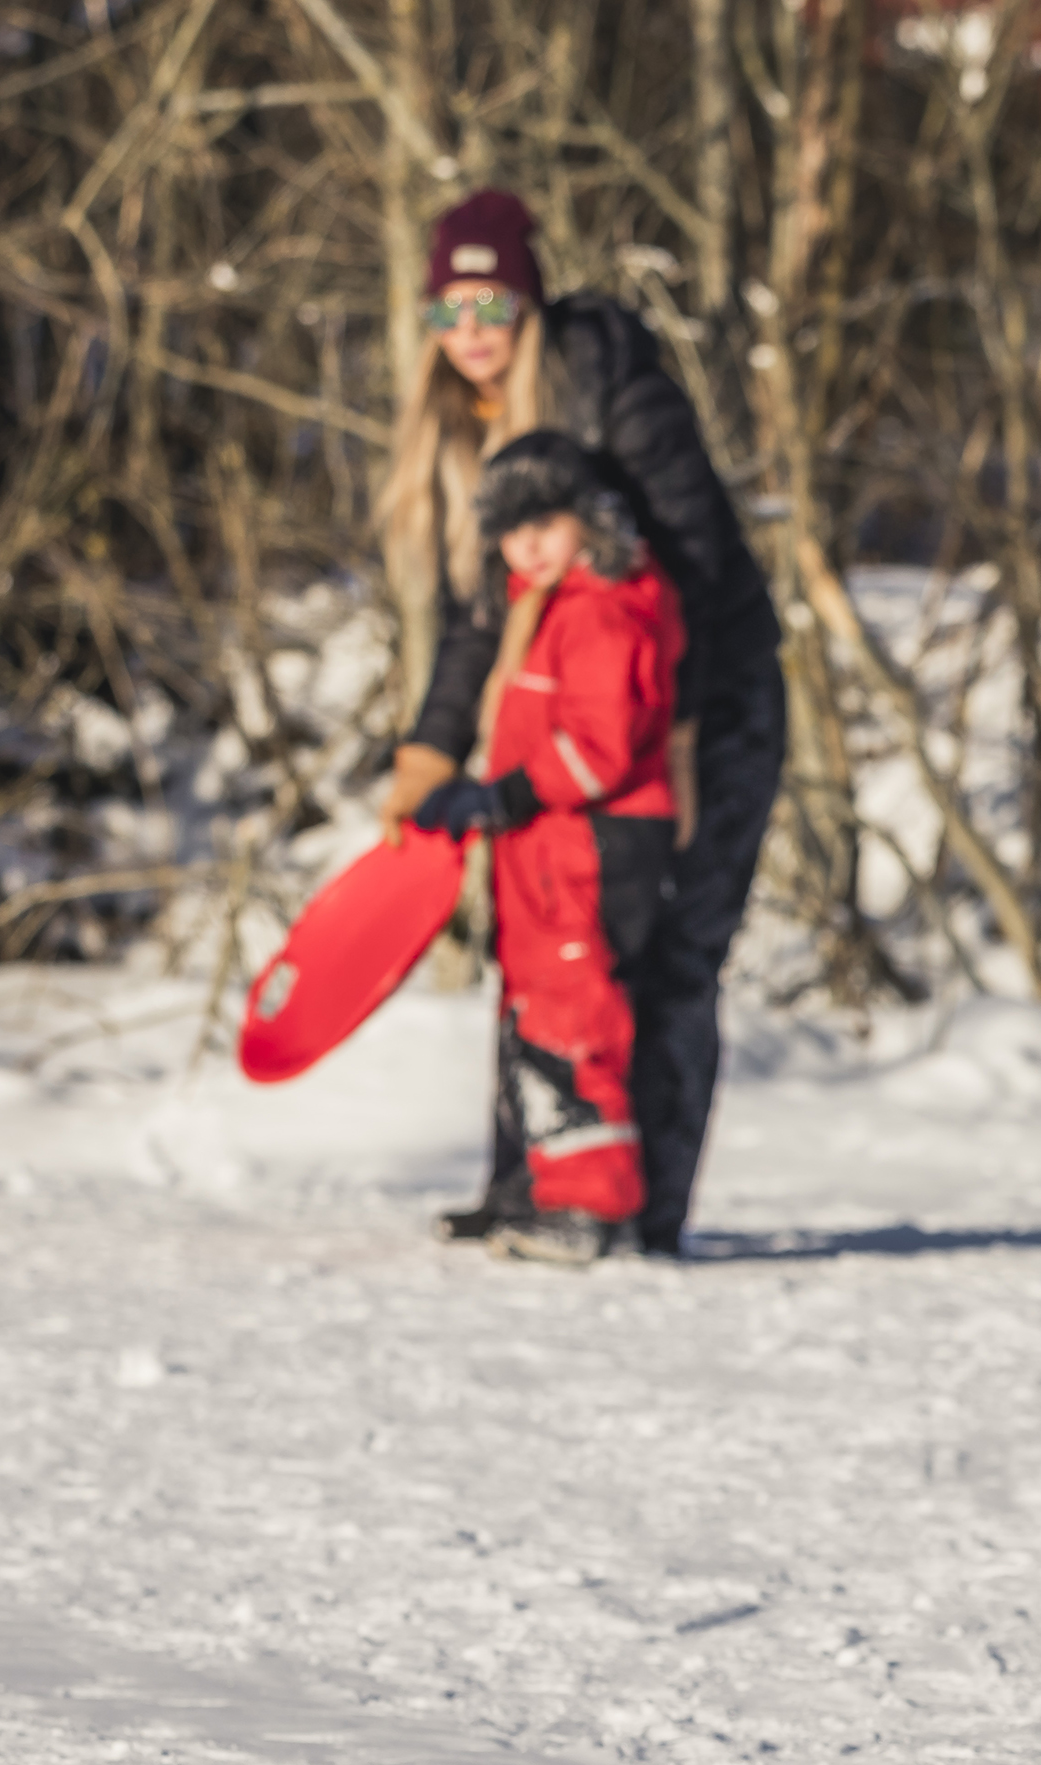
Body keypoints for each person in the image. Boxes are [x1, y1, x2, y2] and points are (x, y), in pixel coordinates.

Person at [377, 187, 785, 1260]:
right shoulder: (468, 428)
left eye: (490, 307)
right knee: (548, 952)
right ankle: (531, 1186)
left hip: (704, 702)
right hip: (591, 722)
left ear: (531, 306)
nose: (469, 335)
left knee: (671, 955)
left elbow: (692, 561)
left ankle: (639, 1214)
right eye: (447, 312)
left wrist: (685, 741)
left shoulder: (614, 392)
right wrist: (427, 751)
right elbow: (481, 620)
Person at [398, 433, 687, 1266]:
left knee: (574, 1006)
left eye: (543, 523)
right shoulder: (546, 604)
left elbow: (599, 746)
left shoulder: (603, 604)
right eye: (509, 529)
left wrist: (506, 792)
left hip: (591, 839)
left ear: (587, 519)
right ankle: (530, 1184)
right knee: (530, 1006)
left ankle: (591, 1201)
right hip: (544, 844)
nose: (526, 544)